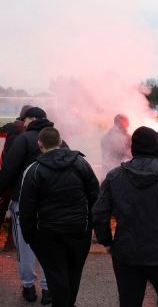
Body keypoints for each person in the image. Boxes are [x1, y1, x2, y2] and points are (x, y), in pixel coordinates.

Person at [93, 126, 158, 307]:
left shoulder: (115, 175)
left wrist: (107, 242)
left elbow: (100, 213)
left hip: (128, 253)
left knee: (129, 302)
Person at [19, 127, 99, 307]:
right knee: (74, 272)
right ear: (60, 141)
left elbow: (27, 209)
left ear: (40, 144)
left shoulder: (34, 170)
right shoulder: (81, 163)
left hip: (48, 233)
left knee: (56, 274)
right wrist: (91, 226)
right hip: (79, 230)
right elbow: (96, 196)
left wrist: (29, 236)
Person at [0, 107, 64, 304]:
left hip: (24, 202)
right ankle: (47, 290)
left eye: (25, 119)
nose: (23, 123)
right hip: (52, 203)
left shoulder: (23, 139)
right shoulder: (58, 138)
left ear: (33, 119)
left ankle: (29, 287)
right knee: (49, 247)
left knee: (25, 247)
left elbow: (8, 170)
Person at [0, 104, 32, 251]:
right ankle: (11, 241)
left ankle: (9, 242)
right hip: (21, 176)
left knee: (3, 206)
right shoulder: (28, 131)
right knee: (17, 210)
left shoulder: (11, 127)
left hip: (7, 172)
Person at [100, 114, 131, 179]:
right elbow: (129, 155)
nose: (127, 125)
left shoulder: (107, 136)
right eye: (125, 122)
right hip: (119, 174)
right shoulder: (124, 138)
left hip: (108, 173)